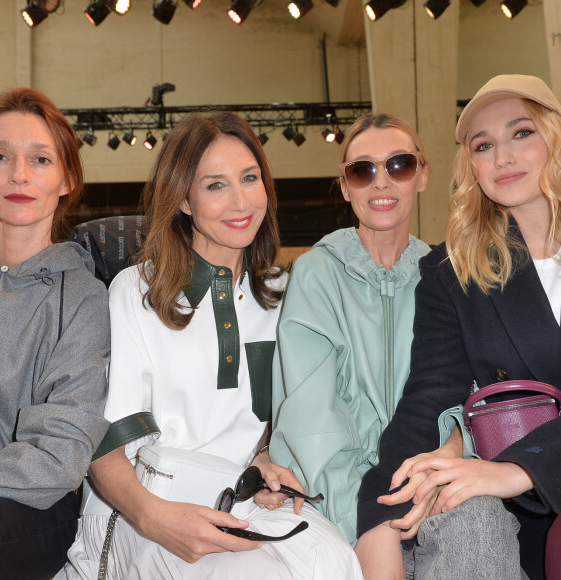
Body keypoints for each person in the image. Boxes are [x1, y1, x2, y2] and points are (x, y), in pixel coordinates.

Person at [59, 111, 363, 579]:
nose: (241, 201)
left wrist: (264, 460)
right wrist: (155, 517)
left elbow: (258, 419)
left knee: (336, 560)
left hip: (241, 500)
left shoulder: (284, 295)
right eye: (215, 185)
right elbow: (102, 443)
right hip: (146, 510)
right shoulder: (136, 291)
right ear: (183, 199)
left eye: (249, 178)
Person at [356, 74, 561, 580]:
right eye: (483, 145)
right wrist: (384, 502)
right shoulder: (454, 271)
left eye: (522, 133)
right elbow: (429, 395)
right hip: (523, 515)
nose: (502, 158)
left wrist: (524, 468)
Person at [270, 114, 431, 547]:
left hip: (431, 494)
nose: (381, 183)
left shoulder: (445, 277)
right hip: (338, 503)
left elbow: (457, 402)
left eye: (399, 165)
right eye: (363, 170)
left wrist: (426, 489)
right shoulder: (316, 273)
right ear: (345, 186)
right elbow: (310, 419)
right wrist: (366, 520)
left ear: (422, 175)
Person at [0, 88, 110, 579]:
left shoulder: (82, 297)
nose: (18, 174)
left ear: (66, 179)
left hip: (33, 510)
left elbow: (59, 455)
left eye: (39, 159)